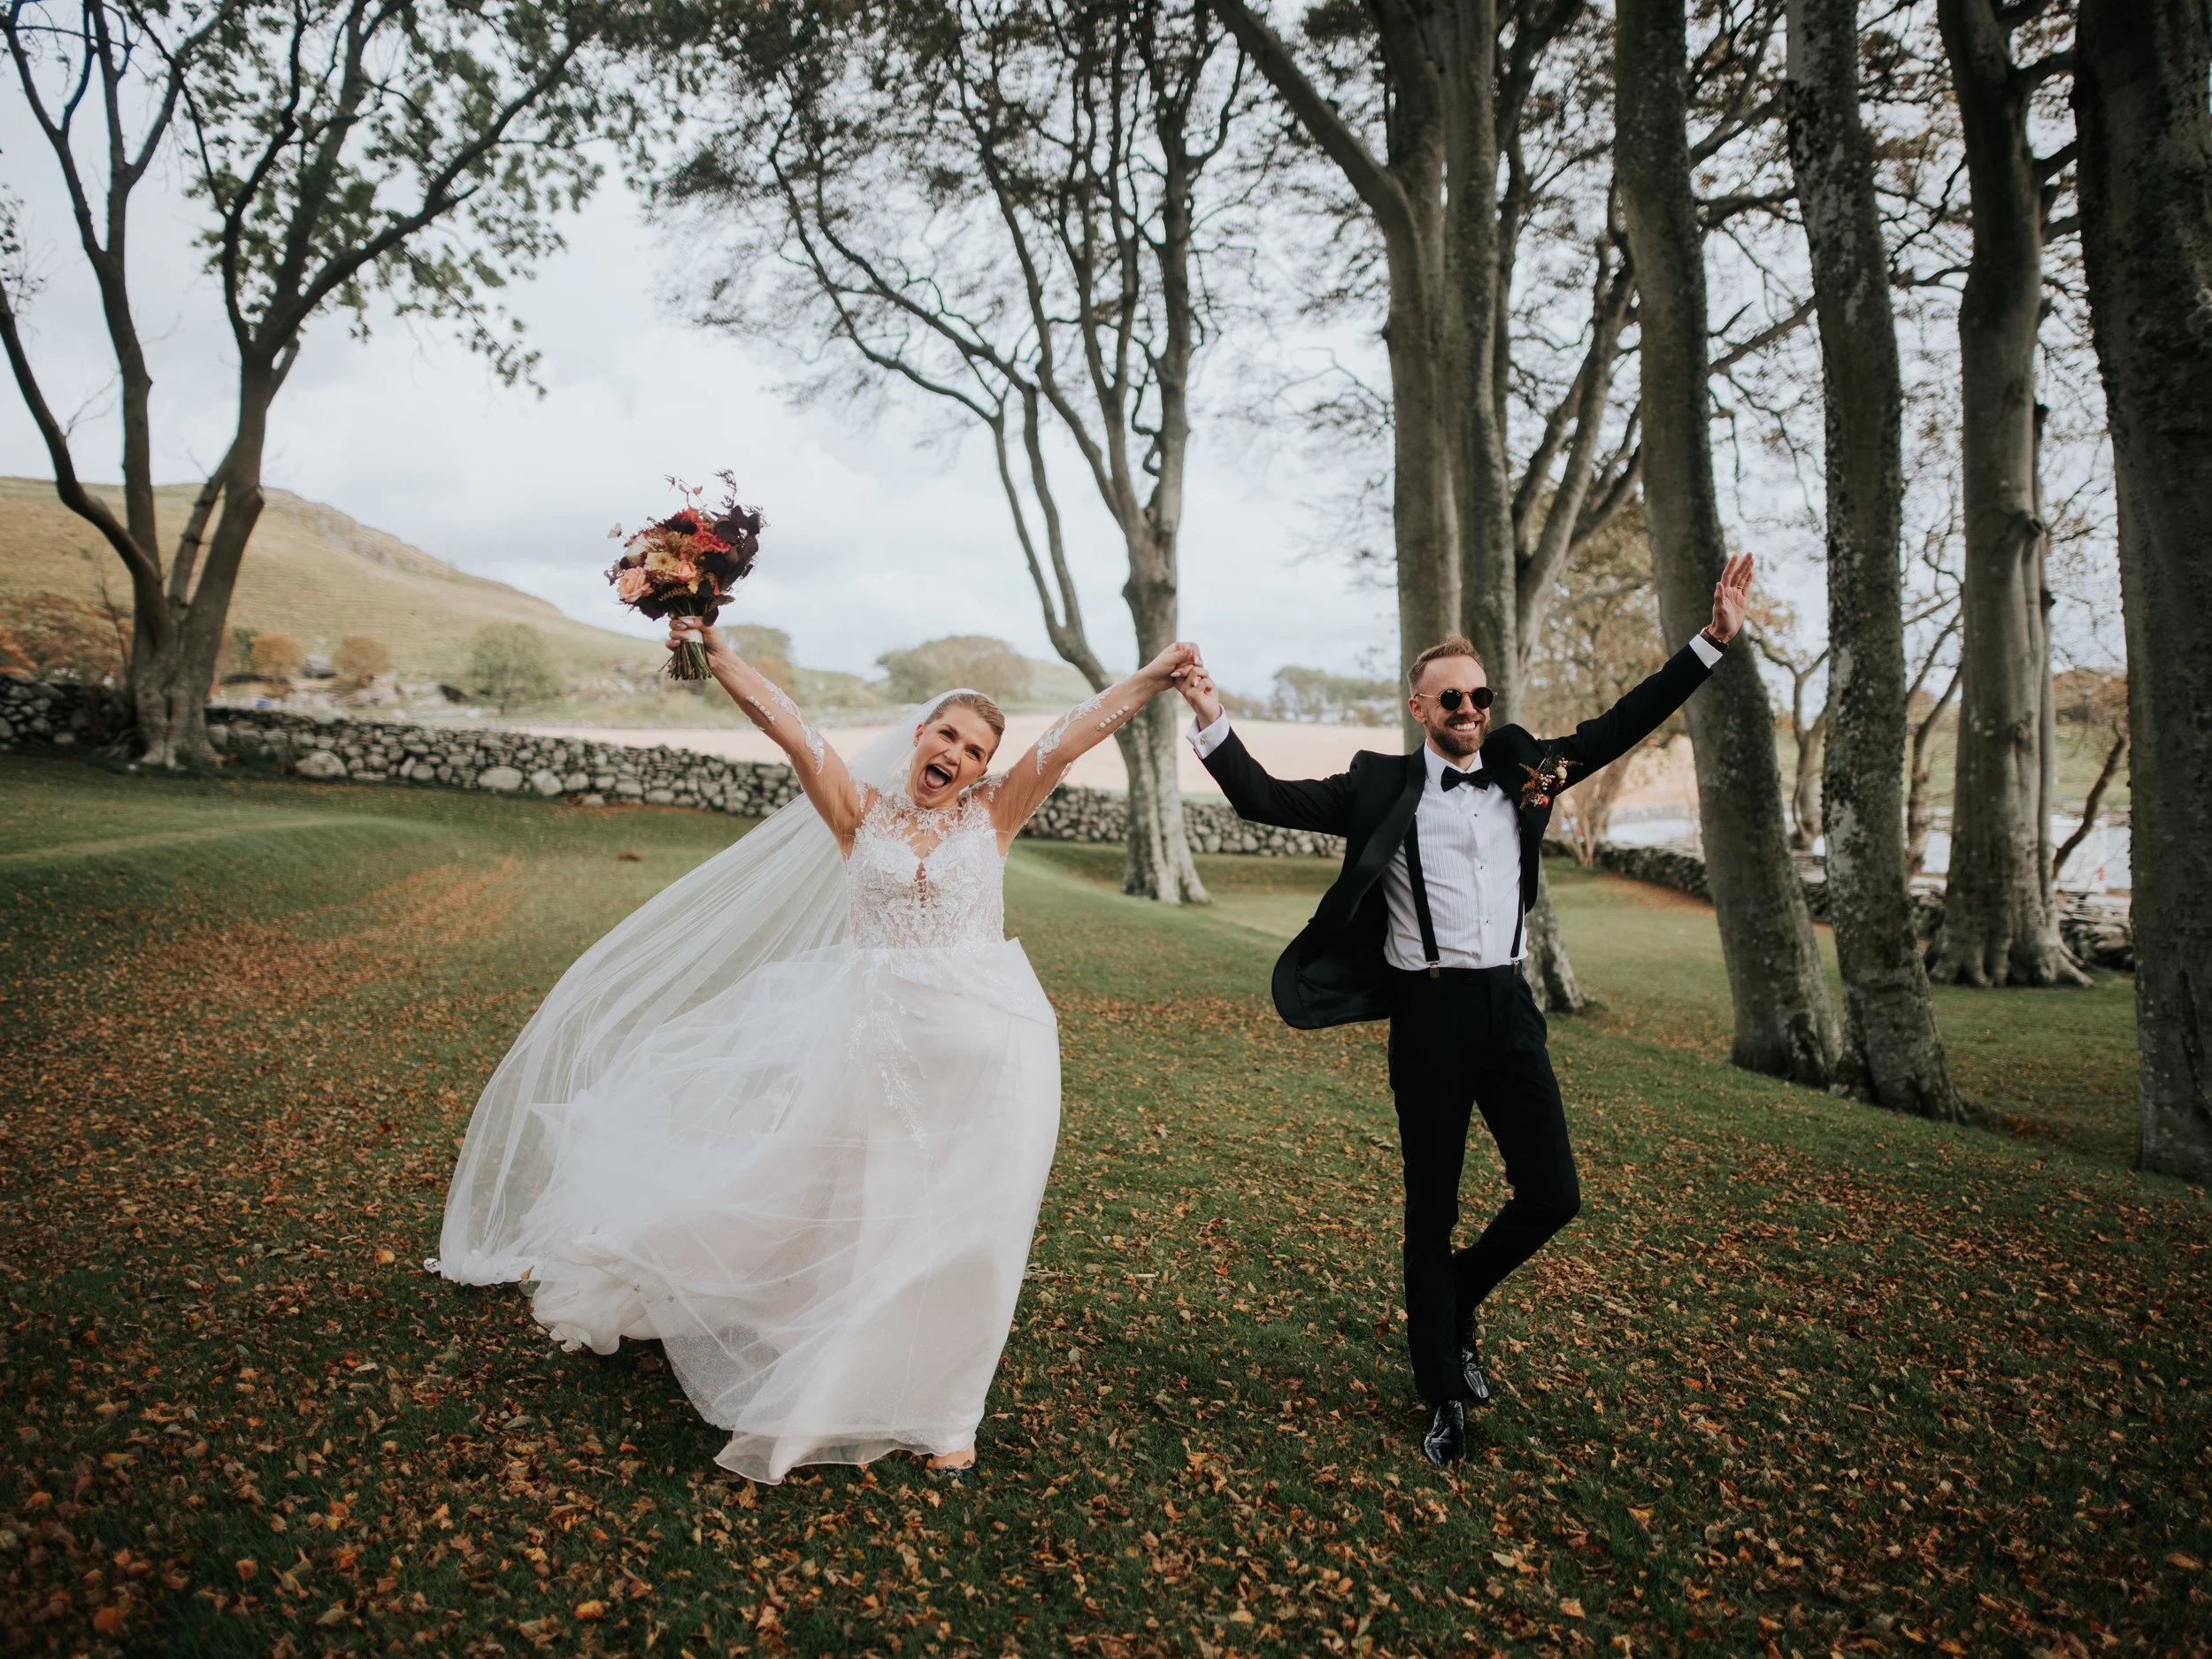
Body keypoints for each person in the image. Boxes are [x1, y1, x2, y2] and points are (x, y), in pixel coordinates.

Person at [431, 616, 1198, 1484]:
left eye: (975, 747)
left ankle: (950, 1414)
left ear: (985, 768)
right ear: (918, 737)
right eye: (946, 733)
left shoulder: (994, 815)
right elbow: (788, 725)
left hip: (993, 1061)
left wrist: (1150, 677)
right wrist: (718, 657)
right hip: (879, 1053)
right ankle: (812, 1355)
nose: (956, 752)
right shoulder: (855, 812)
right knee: (868, 1219)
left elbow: (1070, 737)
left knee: (975, 1235)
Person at [1171, 554, 1755, 1466]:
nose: (1470, 711)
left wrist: (1709, 645)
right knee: (1429, 1206)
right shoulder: (1377, 784)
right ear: (1419, 711)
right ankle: (1442, 1390)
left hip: (1509, 1009)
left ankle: (1454, 1295)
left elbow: (1615, 728)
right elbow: (1261, 799)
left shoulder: (1523, 767)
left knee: (1553, 1193)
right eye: (1451, 700)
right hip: (1431, 1015)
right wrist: (1211, 717)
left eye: (1479, 696)